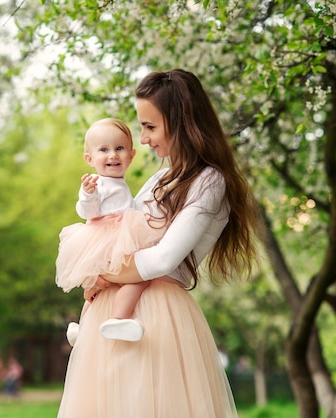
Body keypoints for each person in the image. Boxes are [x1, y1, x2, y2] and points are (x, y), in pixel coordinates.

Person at [57, 69, 260, 418]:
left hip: (157, 313)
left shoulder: (208, 181)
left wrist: (105, 277)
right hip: (115, 308)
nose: (145, 139)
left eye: (150, 127)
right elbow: (121, 232)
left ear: (179, 122)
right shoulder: (161, 179)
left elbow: (164, 258)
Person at [55, 118, 169, 346]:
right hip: (109, 237)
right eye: (104, 150)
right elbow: (86, 211)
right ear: (89, 159)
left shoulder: (118, 182)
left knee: (99, 288)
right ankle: (119, 318)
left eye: (119, 148)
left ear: (131, 154)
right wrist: (88, 194)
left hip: (117, 235)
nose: (113, 155)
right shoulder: (98, 183)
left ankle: (82, 327)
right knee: (138, 279)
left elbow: (127, 206)